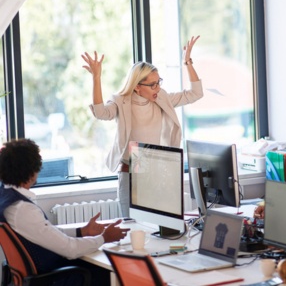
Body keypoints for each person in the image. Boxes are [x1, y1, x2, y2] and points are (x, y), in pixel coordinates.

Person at [82, 36, 203, 217]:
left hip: (157, 173)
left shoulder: (161, 98)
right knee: (132, 229)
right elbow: (100, 113)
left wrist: (187, 62)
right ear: (137, 86)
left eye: (158, 82)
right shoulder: (121, 102)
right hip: (131, 174)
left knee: (160, 228)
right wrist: (96, 78)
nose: (157, 88)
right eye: (152, 84)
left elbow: (195, 93)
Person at [0, 138, 130, 284]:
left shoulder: (6, 197)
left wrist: (82, 231)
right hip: (56, 278)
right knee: (116, 272)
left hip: (45, 272)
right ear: (31, 172)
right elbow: (70, 249)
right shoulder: (23, 210)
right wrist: (105, 238)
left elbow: (45, 232)